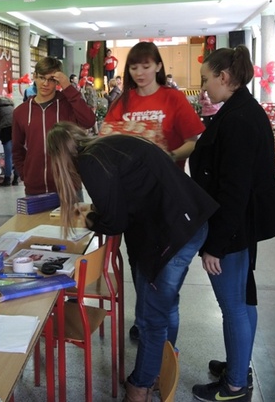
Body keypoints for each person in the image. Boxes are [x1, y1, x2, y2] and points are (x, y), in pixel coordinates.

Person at [46, 122, 219, 402]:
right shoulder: (107, 146)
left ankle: (141, 387)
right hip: (184, 224)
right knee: (163, 307)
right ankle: (161, 370)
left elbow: (114, 222)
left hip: (174, 232)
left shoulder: (90, 160)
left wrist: (89, 217)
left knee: (152, 319)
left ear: (59, 157)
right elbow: (126, 199)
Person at [189, 46, 275, 402]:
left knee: (233, 305)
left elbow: (234, 191)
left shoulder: (239, 120)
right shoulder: (239, 110)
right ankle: (238, 364)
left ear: (224, 78)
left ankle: (234, 386)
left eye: (206, 80)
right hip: (241, 225)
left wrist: (215, 244)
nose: (204, 87)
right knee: (244, 300)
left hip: (233, 228)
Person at [100, 41, 205, 342]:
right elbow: (107, 139)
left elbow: (194, 139)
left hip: (167, 200)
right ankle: (145, 320)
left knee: (163, 276)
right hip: (134, 200)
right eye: (134, 66)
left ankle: (163, 342)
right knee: (139, 265)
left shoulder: (173, 99)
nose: (141, 72)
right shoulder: (124, 102)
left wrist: (168, 156)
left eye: (146, 65)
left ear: (158, 65)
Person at [12, 57, 95, 196]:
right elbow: (17, 149)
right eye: (41, 78)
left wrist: (68, 87)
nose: (45, 83)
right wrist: (26, 175)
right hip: (35, 189)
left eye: (51, 79)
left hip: (68, 187)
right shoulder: (21, 112)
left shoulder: (68, 106)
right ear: (34, 77)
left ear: (57, 81)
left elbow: (89, 121)